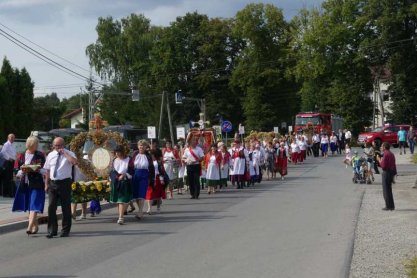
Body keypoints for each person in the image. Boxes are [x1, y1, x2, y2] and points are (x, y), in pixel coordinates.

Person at [43, 137, 77, 238]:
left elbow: (75, 162)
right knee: (51, 207)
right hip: (53, 183)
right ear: (53, 145)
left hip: (65, 183)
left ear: (64, 145)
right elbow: (47, 170)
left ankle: (65, 230)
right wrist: (46, 184)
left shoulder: (69, 153)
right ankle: (52, 230)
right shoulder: (50, 155)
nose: (58, 147)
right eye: (56, 145)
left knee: (65, 207)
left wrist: (64, 154)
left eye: (60, 145)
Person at [12, 136, 46, 235]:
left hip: (37, 183)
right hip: (25, 183)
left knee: (34, 205)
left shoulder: (40, 155)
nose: (37, 146)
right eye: (35, 144)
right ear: (30, 145)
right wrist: (22, 171)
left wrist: (38, 169)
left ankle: (29, 226)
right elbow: (16, 171)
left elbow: (45, 169)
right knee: (29, 205)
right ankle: (35, 225)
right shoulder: (21, 156)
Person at [130, 140, 155, 219]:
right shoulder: (134, 154)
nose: (141, 147)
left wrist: (152, 179)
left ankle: (140, 211)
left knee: (141, 194)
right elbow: (130, 165)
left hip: (144, 176)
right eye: (140, 145)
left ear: (145, 147)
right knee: (136, 195)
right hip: (135, 175)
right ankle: (140, 210)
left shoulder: (148, 156)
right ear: (138, 146)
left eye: (143, 145)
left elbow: (151, 168)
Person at [110, 145, 133, 224]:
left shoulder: (128, 159)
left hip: (124, 182)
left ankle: (121, 218)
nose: (118, 154)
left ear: (123, 152)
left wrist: (124, 174)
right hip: (116, 182)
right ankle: (120, 214)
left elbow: (132, 171)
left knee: (121, 200)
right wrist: (115, 177)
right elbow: (112, 171)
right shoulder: (114, 160)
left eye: (119, 152)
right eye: (116, 152)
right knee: (117, 200)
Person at [182, 133, 204, 199]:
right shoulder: (187, 149)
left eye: (195, 141)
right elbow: (184, 158)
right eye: (192, 141)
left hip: (196, 166)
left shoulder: (199, 149)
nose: (194, 142)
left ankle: (196, 194)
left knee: (196, 180)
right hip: (189, 166)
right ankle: (192, 194)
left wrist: (196, 160)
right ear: (190, 142)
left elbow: (202, 157)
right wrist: (186, 160)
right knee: (191, 180)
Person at [145, 149, 166, 214]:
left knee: (158, 194)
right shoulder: (147, 162)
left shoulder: (158, 162)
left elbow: (162, 172)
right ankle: (149, 208)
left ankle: (158, 207)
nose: (151, 156)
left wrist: (161, 179)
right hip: (150, 178)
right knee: (149, 193)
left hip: (157, 178)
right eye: (150, 155)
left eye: (152, 155)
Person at [376, 142, 396, 210]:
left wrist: (379, 160)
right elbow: (394, 165)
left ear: (384, 147)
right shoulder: (391, 153)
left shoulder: (386, 154)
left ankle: (388, 206)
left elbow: (383, 166)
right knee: (389, 190)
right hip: (391, 172)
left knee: (386, 190)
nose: (381, 147)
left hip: (386, 172)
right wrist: (393, 175)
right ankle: (391, 205)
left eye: (382, 146)